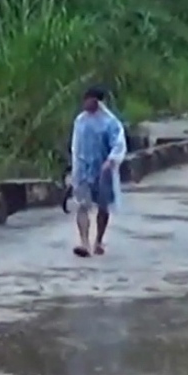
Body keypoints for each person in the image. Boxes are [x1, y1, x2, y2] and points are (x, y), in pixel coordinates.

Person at [68, 85, 126, 257]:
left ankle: (98, 240)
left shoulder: (110, 122)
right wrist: (74, 168)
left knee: (103, 206)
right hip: (83, 169)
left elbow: (119, 144)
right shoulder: (80, 121)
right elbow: (75, 146)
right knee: (82, 205)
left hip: (103, 170)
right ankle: (84, 243)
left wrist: (111, 161)